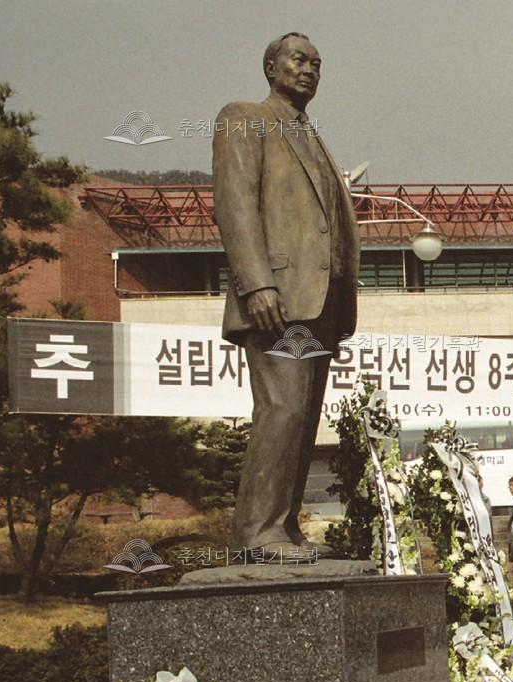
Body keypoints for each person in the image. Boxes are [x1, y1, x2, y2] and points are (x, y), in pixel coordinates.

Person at [213, 31, 360, 560]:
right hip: (277, 297)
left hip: (317, 304)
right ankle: (255, 534)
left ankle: (282, 527)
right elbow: (234, 206)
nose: (310, 70)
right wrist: (256, 283)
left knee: (302, 413)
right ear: (271, 66)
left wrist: (342, 301)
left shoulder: (312, 136)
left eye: (318, 63)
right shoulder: (244, 118)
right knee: (281, 407)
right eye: (299, 59)